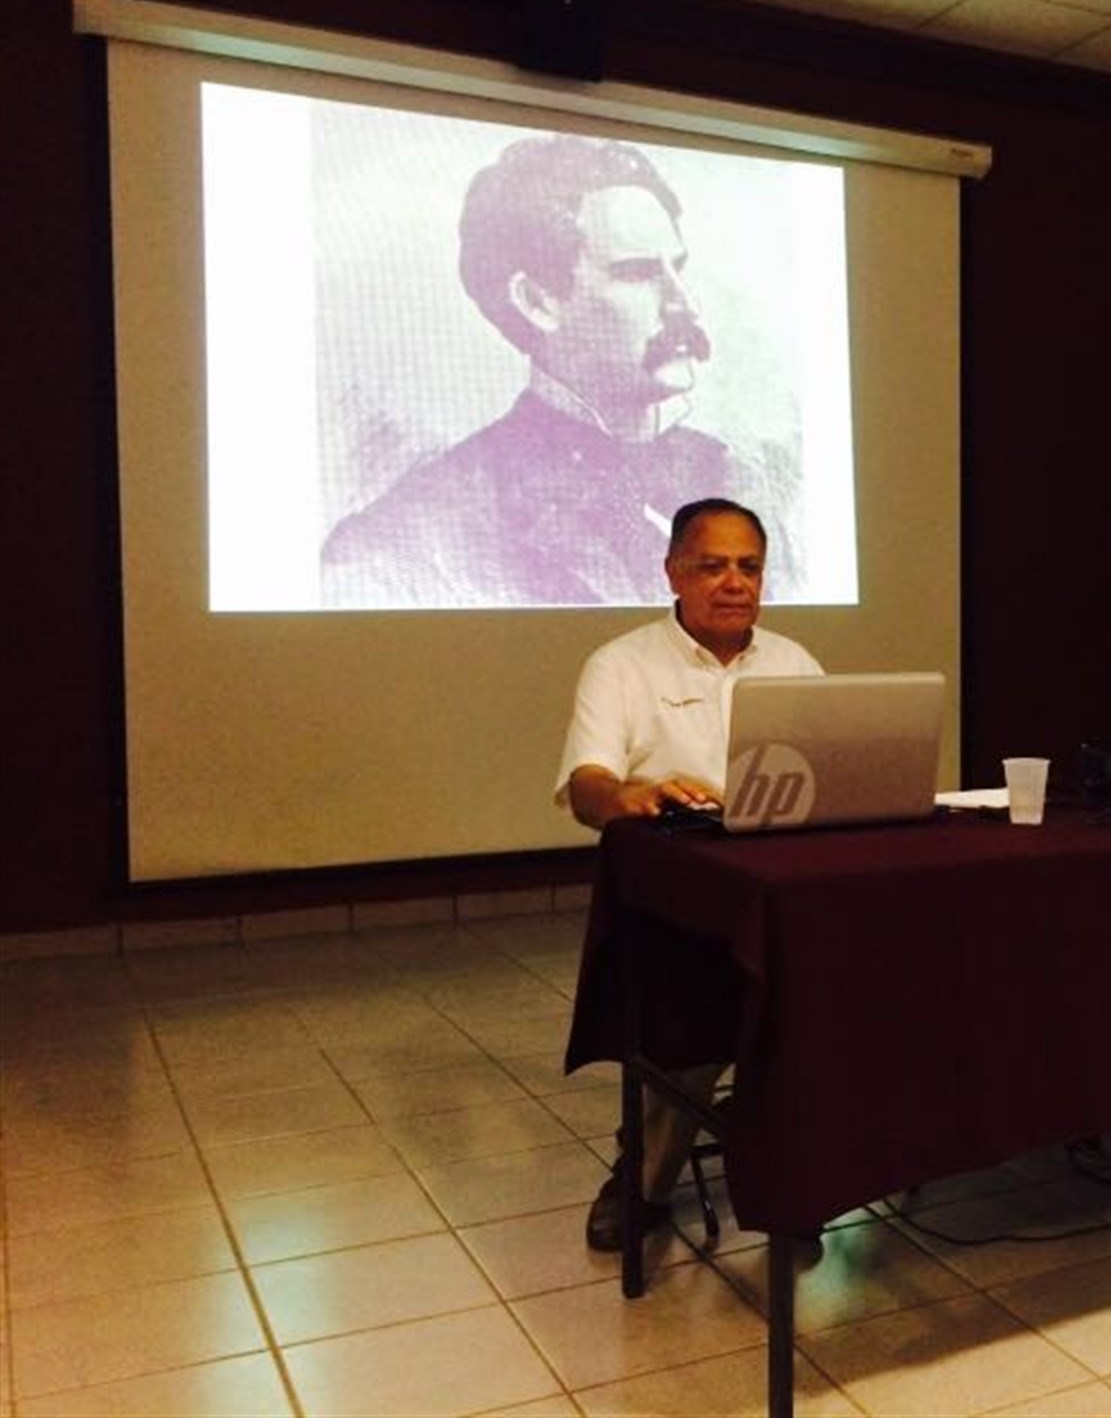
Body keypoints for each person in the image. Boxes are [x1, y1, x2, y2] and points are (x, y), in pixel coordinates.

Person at [323, 135, 788, 607]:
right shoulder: (406, 542)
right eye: (636, 274)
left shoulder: (738, 484)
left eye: (678, 269)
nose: (685, 306)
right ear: (537, 302)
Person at [554, 497, 821, 1250]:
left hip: (780, 882)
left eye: (749, 567)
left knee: (827, 998)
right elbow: (588, 787)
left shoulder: (795, 663)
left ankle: (796, 1173)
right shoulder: (621, 664)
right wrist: (626, 797)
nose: (734, 583)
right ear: (673, 572)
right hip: (676, 897)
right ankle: (643, 1178)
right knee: (698, 1008)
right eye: (713, 567)